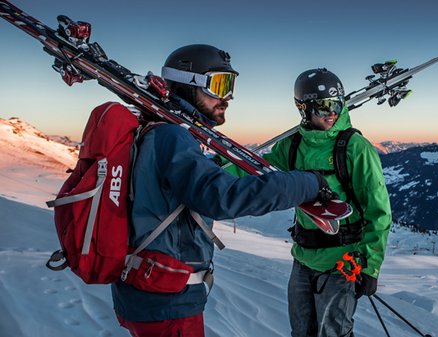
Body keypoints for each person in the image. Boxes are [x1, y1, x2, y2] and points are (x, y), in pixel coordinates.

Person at [110, 46, 339, 337]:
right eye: (219, 85)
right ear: (187, 84)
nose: (228, 97)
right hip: (165, 300)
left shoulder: (157, 131)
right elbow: (221, 197)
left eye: (230, 86)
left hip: (153, 290)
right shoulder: (171, 136)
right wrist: (307, 183)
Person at [260, 68, 392, 336]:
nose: (331, 112)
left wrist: (370, 266)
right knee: (301, 332)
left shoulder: (356, 148)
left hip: (342, 264)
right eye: (322, 107)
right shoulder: (292, 146)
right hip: (303, 259)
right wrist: (217, 169)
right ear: (303, 109)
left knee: (333, 333)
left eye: (336, 103)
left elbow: (379, 212)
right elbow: (259, 171)